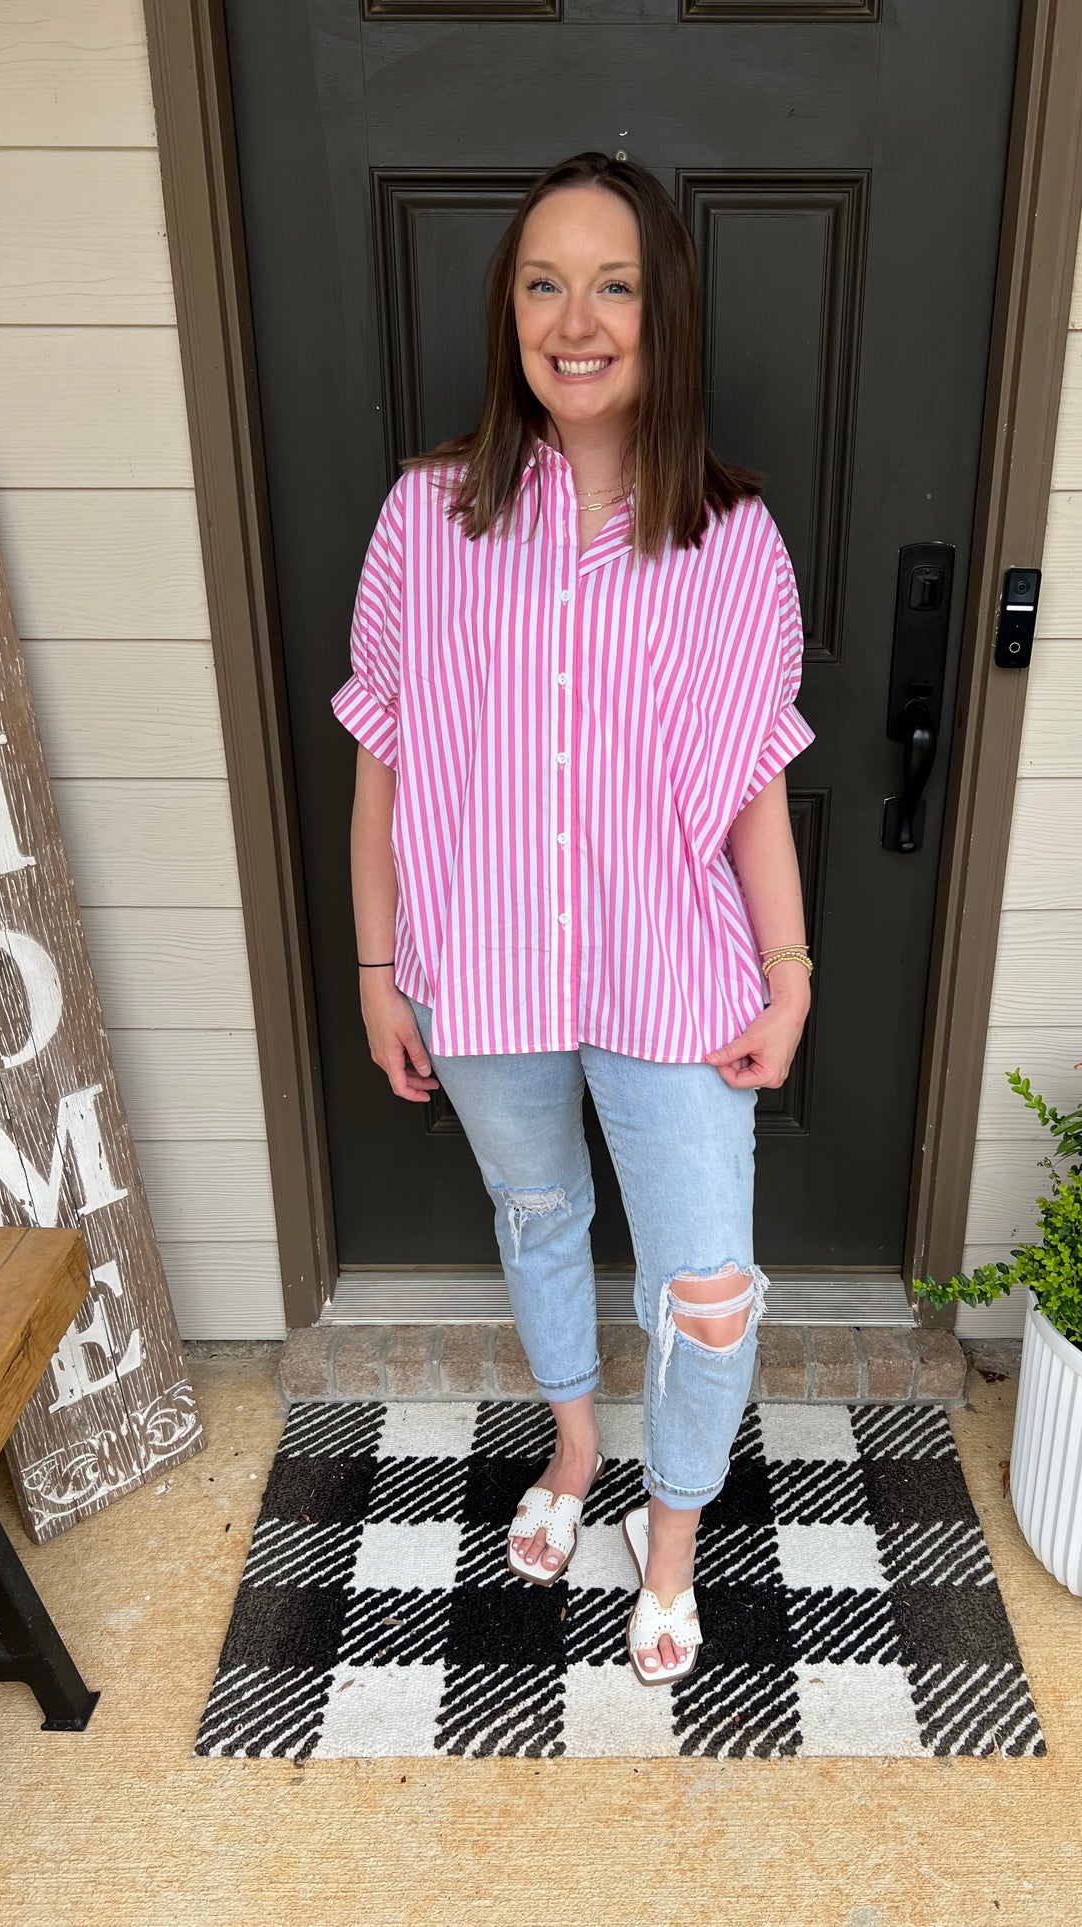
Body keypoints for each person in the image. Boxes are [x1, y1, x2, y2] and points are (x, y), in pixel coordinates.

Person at [332, 150, 814, 1686]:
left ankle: (671, 1531)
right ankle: (574, 1445)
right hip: (479, 970)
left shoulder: (732, 540)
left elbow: (752, 786)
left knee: (707, 1288)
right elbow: (383, 769)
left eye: (611, 282)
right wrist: (373, 965)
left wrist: (789, 974)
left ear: (660, 312)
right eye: (544, 281)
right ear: (509, 313)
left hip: (675, 973)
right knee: (537, 1220)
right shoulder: (426, 517)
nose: (576, 316)